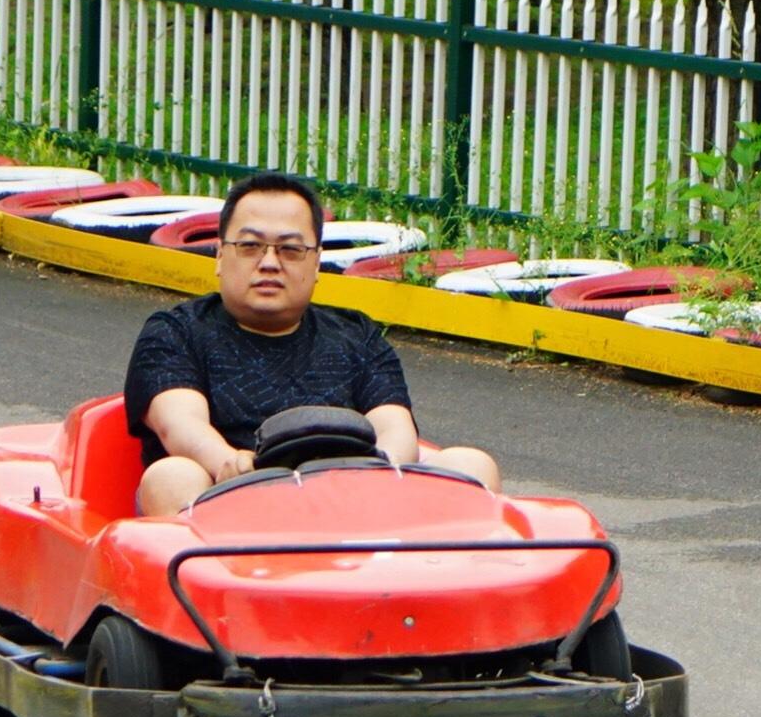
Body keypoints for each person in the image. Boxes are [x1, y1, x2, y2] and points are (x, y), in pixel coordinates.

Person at [123, 172, 502, 516]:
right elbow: (181, 426)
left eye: (290, 249)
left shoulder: (356, 335)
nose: (269, 263)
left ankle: (438, 588)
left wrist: (376, 470)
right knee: (173, 475)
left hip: (354, 502)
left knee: (471, 465)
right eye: (251, 246)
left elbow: (395, 428)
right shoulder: (176, 331)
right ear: (221, 255)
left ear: (317, 263)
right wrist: (236, 465)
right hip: (231, 502)